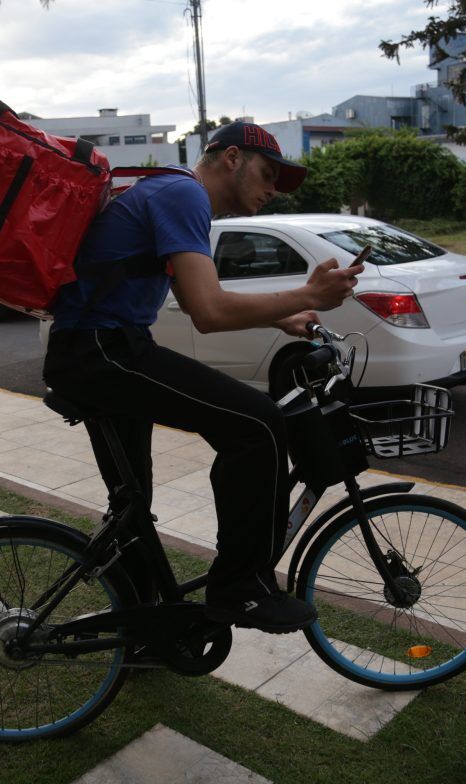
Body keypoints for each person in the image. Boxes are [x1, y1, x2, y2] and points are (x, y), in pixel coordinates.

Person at [42, 121, 364, 634]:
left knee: (132, 506)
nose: (272, 190)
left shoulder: (172, 193)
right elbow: (208, 313)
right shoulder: (183, 194)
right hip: (104, 351)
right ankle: (241, 588)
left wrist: (281, 317)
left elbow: (195, 295)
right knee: (257, 424)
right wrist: (308, 296)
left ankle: (143, 630)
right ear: (231, 158)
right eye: (267, 174)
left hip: (93, 351)